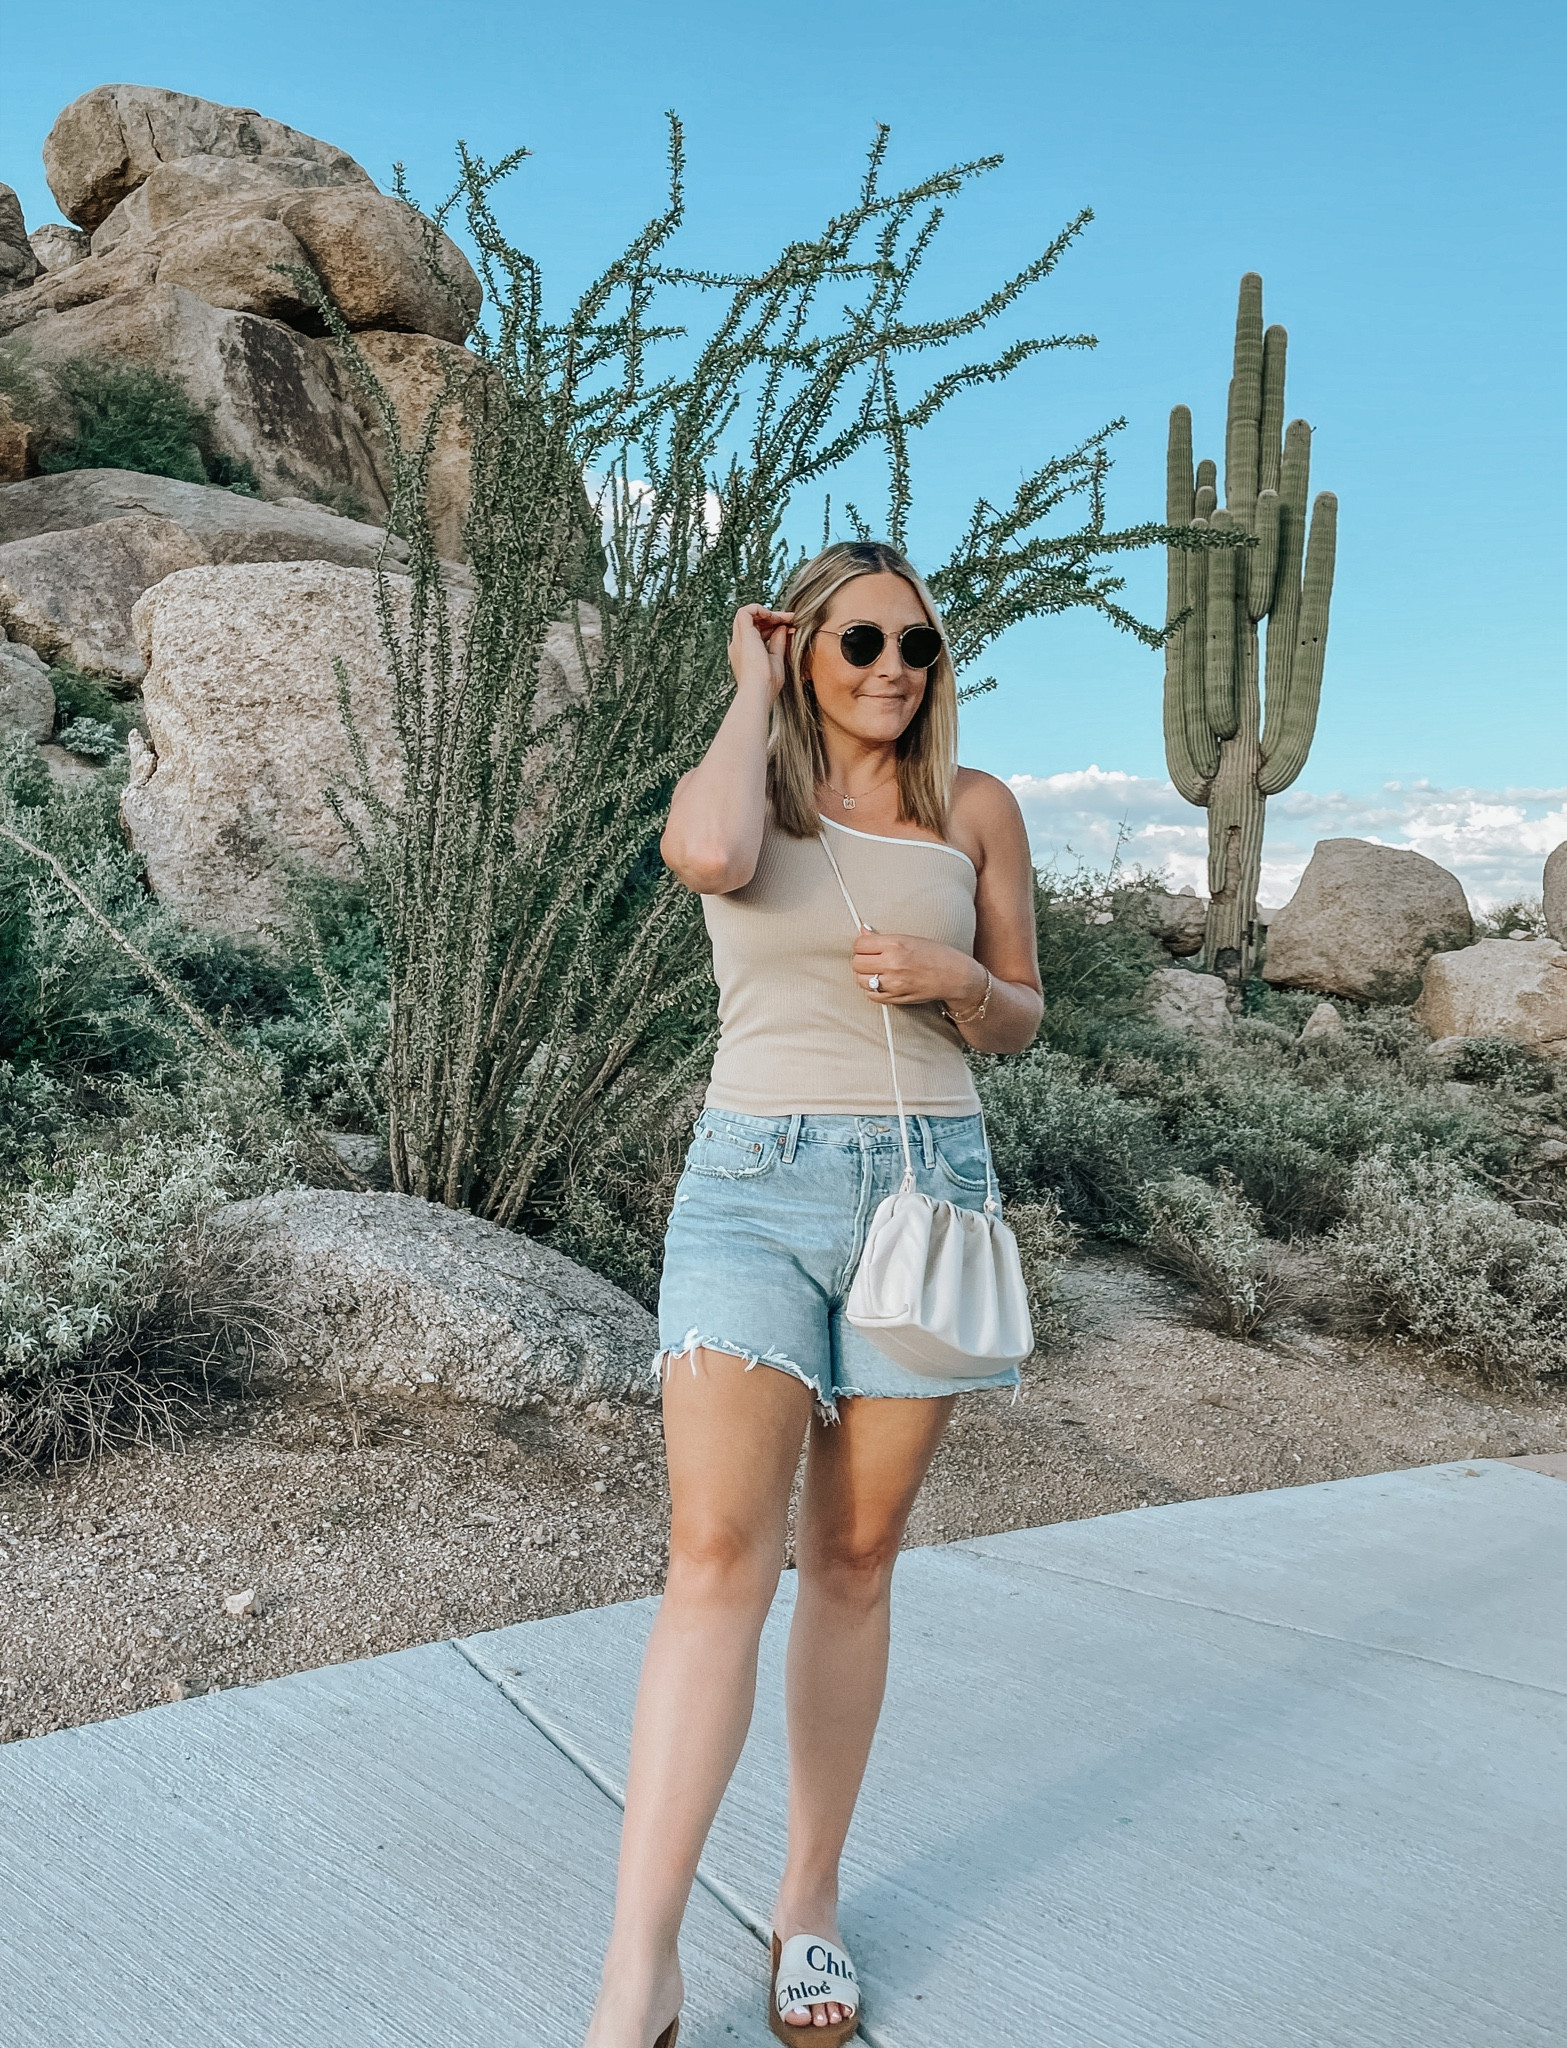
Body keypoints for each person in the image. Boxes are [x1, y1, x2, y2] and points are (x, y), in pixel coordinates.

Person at [582, 540, 1043, 2048]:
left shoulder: (974, 812)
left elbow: (1026, 1017)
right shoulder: (760, 791)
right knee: (717, 1552)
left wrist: (960, 983)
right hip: (751, 1182)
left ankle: (809, 1903)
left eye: (915, 642)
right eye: (857, 644)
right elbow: (706, 859)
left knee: (852, 1558)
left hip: (930, 1191)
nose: (894, 668)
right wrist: (744, 684)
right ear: (804, 651)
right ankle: (637, 1967)